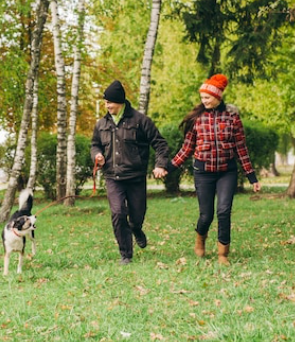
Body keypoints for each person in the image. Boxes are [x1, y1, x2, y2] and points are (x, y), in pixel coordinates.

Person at [165, 74, 261, 265]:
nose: (204, 101)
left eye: (207, 97)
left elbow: (241, 148)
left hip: (227, 171)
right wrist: (169, 167)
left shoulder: (232, 117)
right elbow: (187, 148)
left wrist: (252, 177)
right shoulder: (198, 119)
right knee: (206, 215)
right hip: (203, 173)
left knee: (224, 211)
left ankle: (222, 254)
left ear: (217, 96)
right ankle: (200, 239)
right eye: (202, 98)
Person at [91, 80, 170, 265]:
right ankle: (126, 254)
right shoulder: (101, 124)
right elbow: (95, 144)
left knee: (136, 215)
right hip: (113, 177)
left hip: (135, 178)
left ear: (121, 102)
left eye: (111, 102)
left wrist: (160, 165)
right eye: (105, 102)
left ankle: (136, 228)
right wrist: (97, 155)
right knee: (118, 213)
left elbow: (160, 143)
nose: (108, 105)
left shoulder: (141, 121)